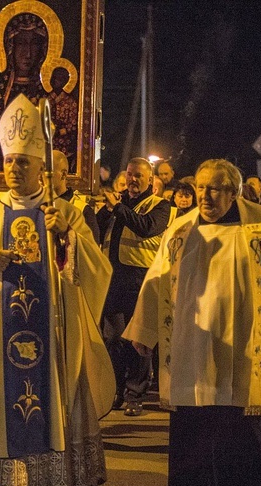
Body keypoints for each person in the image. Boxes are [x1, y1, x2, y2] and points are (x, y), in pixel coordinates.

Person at [0, 94, 114, 486]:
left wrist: (66, 238)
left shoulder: (64, 213)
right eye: (9, 161)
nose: (14, 169)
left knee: (54, 393)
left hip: (52, 330)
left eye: (23, 162)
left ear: (42, 167)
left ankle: (54, 477)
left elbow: (95, 271)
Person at [123, 159, 261, 486]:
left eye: (214, 188)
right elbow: (156, 280)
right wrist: (144, 330)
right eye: (200, 187)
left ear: (234, 191)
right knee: (192, 440)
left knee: (238, 441)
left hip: (244, 350)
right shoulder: (180, 230)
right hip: (190, 352)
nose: (205, 196)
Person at [97, 156, 172, 416]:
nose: (132, 179)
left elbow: (146, 228)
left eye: (139, 175)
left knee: (140, 340)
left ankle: (135, 394)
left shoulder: (161, 206)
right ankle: (115, 389)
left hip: (141, 281)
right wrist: (104, 211)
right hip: (114, 280)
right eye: (129, 174)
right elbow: (97, 231)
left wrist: (117, 209)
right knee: (113, 339)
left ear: (150, 180)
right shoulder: (119, 205)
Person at [0, 13, 50, 171]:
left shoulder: (47, 91)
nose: (27, 53)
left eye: (34, 44)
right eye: (21, 43)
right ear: (9, 46)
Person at [51, 149, 100, 243]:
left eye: (48, 171)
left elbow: (92, 250)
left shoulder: (82, 209)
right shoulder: (37, 205)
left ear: (63, 175)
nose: (41, 176)